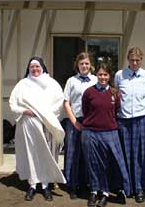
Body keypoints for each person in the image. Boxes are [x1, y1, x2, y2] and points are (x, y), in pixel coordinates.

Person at [9, 57, 66, 202]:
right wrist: (25, 111)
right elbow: (13, 104)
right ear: (28, 69)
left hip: (46, 125)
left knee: (46, 154)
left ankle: (46, 185)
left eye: (37, 66)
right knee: (30, 154)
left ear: (43, 67)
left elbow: (59, 103)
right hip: (27, 126)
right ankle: (33, 185)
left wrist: (44, 115)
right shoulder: (22, 85)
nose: (35, 69)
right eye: (32, 67)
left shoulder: (51, 84)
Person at [81, 63, 130, 207]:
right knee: (93, 164)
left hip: (110, 133)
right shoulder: (89, 92)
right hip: (91, 132)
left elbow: (116, 111)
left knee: (108, 164)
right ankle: (94, 191)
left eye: (105, 75)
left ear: (110, 76)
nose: (103, 77)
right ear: (96, 75)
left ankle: (106, 192)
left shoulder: (115, 93)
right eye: (100, 74)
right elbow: (85, 110)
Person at [114, 46, 145, 202]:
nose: (135, 63)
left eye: (137, 60)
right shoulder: (120, 75)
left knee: (140, 155)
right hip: (123, 120)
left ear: (141, 60)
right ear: (128, 60)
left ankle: (140, 188)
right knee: (125, 153)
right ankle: (126, 187)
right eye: (132, 60)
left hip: (141, 119)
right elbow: (116, 96)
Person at [63, 52, 97, 199]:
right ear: (77, 65)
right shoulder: (71, 81)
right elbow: (66, 102)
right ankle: (73, 185)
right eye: (82, 63)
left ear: (91, 65)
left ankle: (87, 184)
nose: (84, 66)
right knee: (73, 153)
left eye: (87, 63)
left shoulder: (96, 80)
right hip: (75, 121)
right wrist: (74, 122)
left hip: (92, 122)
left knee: (88, 154)